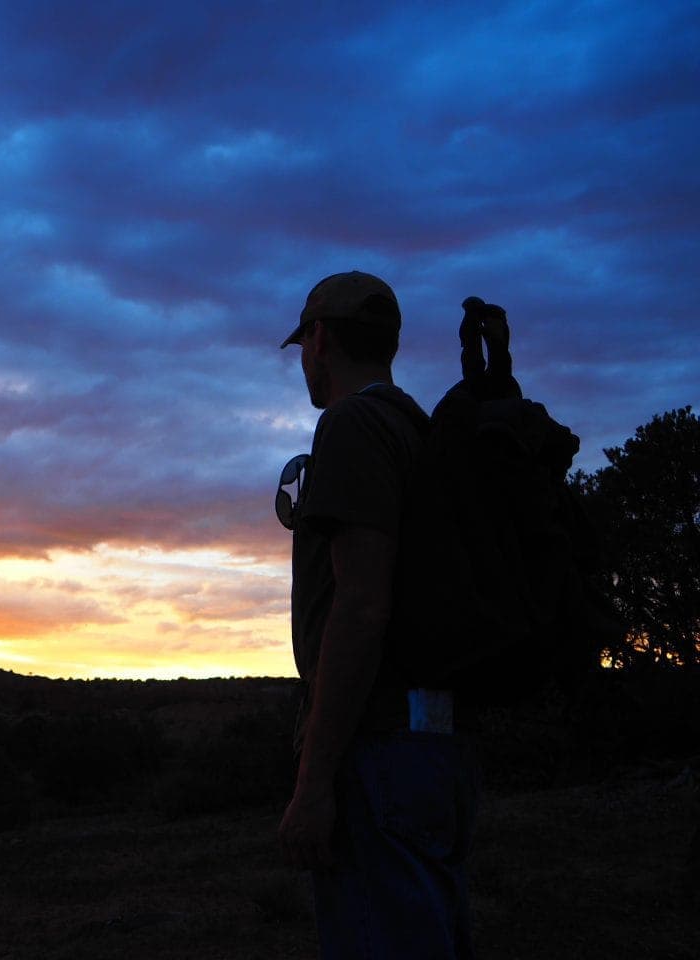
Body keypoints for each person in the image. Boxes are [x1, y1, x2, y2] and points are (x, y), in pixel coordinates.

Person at [276, 271, 478, 959]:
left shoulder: (353, 424)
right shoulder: (414, 427)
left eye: (305, 341)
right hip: (431, 748)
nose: (305, 357)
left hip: (379, 753)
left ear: (321, 338)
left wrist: (314, 782)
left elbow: (362, 606)